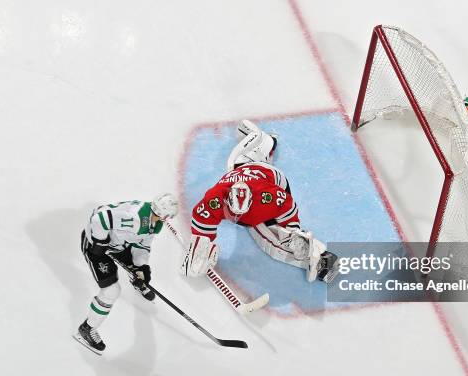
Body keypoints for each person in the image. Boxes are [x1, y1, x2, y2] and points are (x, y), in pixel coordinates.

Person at [183, 120, 339, 285]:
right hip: (248, 165)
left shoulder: (266, 198)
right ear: (227, 198)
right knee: (262, 143)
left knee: (273, 240)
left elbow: (288, 206)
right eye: (233, 211)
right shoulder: (216, 197)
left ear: (251, 201)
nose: (236, 217)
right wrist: (202, 246)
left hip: (275, 181)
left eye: (241, 212)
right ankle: (265, 143)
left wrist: (292, 231)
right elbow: (201, 219)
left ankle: (322, 259)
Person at [73, 194, 178, 354]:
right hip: (96, 247)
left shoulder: (154, 222)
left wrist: (140, 268)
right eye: (168, 216)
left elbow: (143, 246)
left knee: (139, 271)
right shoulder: (135, 219)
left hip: (118, 244)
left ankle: (136, 281)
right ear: (164, 214)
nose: (168, 219)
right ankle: (86, 329)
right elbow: (99, 218)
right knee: (111, 291)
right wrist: (99, 242)